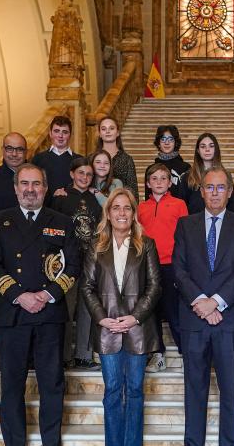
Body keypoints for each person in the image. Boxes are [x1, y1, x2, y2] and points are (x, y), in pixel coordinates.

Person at [0, 163, 81, 446]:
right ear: (15, 189)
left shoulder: (62, 221)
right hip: (12, 313)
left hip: (49, 313)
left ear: (45, 188)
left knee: (52, 384)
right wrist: (20, 295)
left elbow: (73, 266)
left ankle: (51, 441)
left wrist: (47, 294)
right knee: (12, 386)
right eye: (24, 184)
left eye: (36, 184)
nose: (30, 189)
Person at [173, 166, 234, 446]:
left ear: (230, 192)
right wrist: (201, 303)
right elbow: (179, 269)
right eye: (210, 187)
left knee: (229, 392)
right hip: (194, 320)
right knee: (194, 390)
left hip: (229, 320)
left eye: (221, 187)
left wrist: (216, 303)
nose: (215, 192)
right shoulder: (186, 224)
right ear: (202, 190)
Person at [81, 188, 162, 446]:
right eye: (116, 207)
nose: (121, 212)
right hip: (107, 330)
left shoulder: (146, 244)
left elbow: (154, 286)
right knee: (113, 391)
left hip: (138, 329)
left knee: (136, 391)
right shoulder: (96, 245)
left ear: (133, 213)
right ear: (108, 213)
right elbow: (86, 287)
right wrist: (102, 318)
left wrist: (135, 317)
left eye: (127, 208)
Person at [50, 157, 102, 370]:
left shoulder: (94, 199)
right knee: (66, 309)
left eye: (89, 174)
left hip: (90, 260)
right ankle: (63, 356)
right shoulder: (61, 198)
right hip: (66, 261)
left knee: (87, 310)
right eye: (81, 173)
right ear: (72, 174)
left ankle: (84, 354)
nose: (85, 178)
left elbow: (100, 228)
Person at [137, 163, 189, 373]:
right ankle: (157, 354)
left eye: (163, 178)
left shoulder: (179, 204)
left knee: (174, 311)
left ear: (170, 182)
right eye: (154, 178)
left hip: (171, 265)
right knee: (152, 313)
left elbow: (185, 236)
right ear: (148, 183)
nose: (159, 182)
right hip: (148, 266)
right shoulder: (141, 208)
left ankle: (187, 353)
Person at [178, 132, 233, 214]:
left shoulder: (225, 176)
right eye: (203, 146)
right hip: (193, 224)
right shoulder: (187, 177)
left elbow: (232, 206)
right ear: (198, 151)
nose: (207, 149)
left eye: (211, 146)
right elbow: (181, 207)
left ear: (216, 149)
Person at [32, 114, 82, 198]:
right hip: (45, 208)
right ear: (50, 133)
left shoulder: (80, 160)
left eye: (65, 132)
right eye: (56, 131)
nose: (60, 136)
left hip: (71, 207)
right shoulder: (38, 159)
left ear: (70, 135)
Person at [96, 116, 139, 197]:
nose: (107, 131)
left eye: (111, 128)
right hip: (96, 206)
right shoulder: (92, 158)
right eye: (103, 129)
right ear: (100, 134)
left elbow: (133, 190)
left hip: (120, 205)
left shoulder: (126, 159)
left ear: (118, 132)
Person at [148, 125, 190, 200]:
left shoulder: (185, 168)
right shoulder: (151, 169)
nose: (166, 143)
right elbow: (148, 197)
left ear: (176, 142)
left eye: (170, 139)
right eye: (163, 139)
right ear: (158, 143)